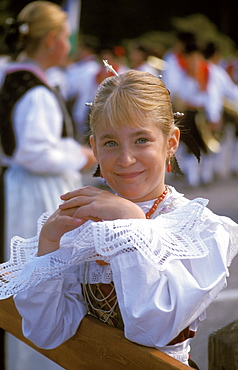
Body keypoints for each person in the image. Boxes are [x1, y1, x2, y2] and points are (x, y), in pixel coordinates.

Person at [0, 69, 237, 369]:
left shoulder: (198, 228)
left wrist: (131, 222)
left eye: (141, 140)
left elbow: (152, 329)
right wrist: (48, 244)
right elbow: (46, 332)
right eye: (110, 143)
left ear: (171, 142)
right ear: (94, 147)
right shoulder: (84, 224)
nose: (126, 159)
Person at [0, 1, 96, 369]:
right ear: (53, 39)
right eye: (66, 37)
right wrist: (80, 156)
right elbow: (33, 151)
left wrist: (69, 149)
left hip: (21, 186)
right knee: (41, 275)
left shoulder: (15, 76)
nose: (69, 44)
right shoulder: (36, 91)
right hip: (35, 191)